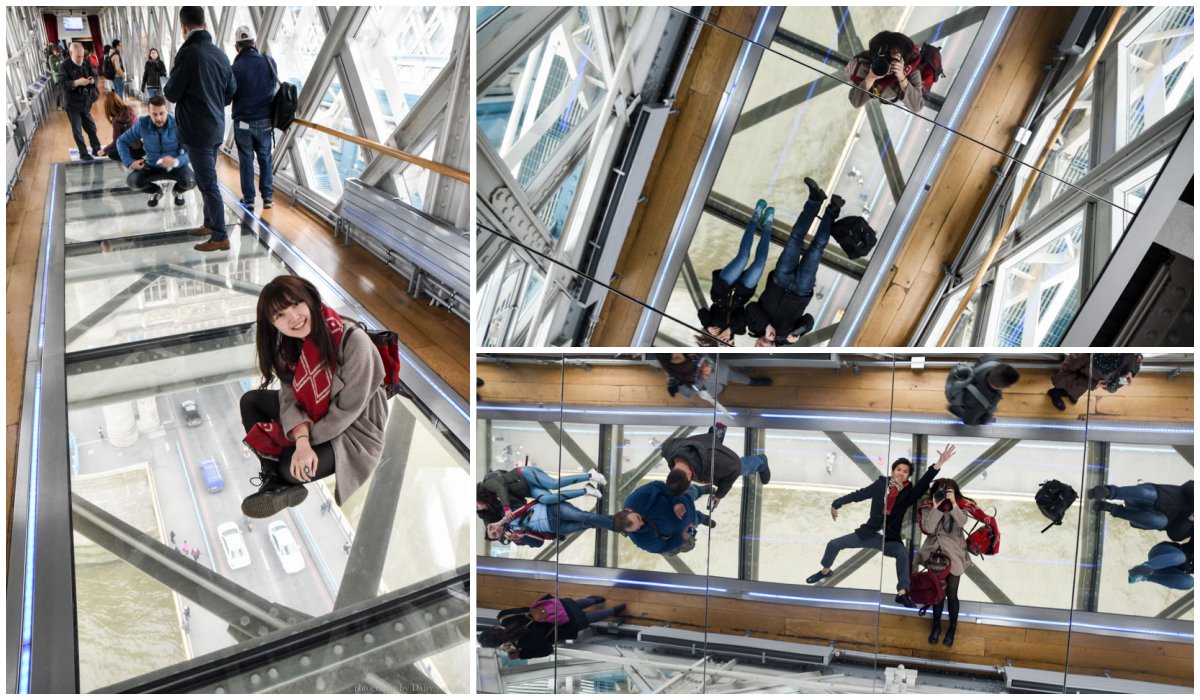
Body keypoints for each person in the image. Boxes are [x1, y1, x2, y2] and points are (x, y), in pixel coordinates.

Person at [239, 276, 389, 518]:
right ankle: (273, 479)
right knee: (251, 402)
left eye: (296, 304)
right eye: (279, 315)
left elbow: (348, 409)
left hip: (354, 427)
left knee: (291, 467)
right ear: (272, 324)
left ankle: (279, 478)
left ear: (310, 300)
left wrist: (302, 442)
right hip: (316, 413)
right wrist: (301, 439)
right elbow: (289, 398)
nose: (293, 318)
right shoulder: (289, 348)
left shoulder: (353, 342)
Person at [806, 445, 957, 607]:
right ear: (893, 471)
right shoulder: (880, 485)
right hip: (869, 534)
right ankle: (825, 571)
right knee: (834, 544)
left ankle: (902, 592)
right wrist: (836, 503)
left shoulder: (907, 494)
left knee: (903, 554)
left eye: (905, 471)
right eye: (898, 469)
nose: (901, 473)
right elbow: (859, 495)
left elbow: (922, 484)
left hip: (890, 538)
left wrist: (939, 463)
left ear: (908, 476)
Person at [163, 6, 237, 252]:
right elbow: (230, 92)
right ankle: (209, 223)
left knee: (208, 184)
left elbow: (171, 93)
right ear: (205, 24)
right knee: (208, 178)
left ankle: (220, 236)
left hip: (197, 131)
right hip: (216, 128)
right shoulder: (220, 54)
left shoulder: (188, 55)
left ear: (183, 27)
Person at [745, 178, 842, 346]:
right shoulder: (787, 341)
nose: (759, 346)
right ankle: (832, 210)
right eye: (761, 349)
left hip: (779, 279)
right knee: (817, 248)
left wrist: (767, 326)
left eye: (756, 347)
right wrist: (799, 332)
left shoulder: (754, 327)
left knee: (795, 238)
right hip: (801, 290)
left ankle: (814, 200)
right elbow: (809, 320)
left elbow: (751, 307)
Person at [914, 478, 990, 647]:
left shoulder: (960, 506)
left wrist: (954, 503)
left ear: (954, 493)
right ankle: (936, 626)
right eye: (941, 491)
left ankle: (952, 628)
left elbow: (962, 522)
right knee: (937, 594)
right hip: (936, 555)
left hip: (954, 554)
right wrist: (936, 506)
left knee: (952, 595)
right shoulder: (928, 506)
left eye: (948, 492)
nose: (944, 495)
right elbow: (929, 529)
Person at [698, 200, 774, 343]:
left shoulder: (711, 326)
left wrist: (708, 326)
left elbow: (702, 312)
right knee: (759, 264)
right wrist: (730, 329)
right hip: (742, 293)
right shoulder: (739, 329)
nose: (726, 341)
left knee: (743, 256)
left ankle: (755, 218)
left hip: (722, 288)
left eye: (722, 343)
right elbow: (742, 314)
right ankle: (768, 227)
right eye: (729, 344)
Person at [481, 594, 626, 659]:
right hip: (555, 608)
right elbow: (526, 609)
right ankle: (595, 599)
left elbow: (547, 650)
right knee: (575, 604)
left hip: (568, 623)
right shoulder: (504, 616)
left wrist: (521, 654)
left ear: (499, 643)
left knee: (588, 618)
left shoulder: (524, 643)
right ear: (493, 629)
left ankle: (616, 610)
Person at [230, 25, 278, 210]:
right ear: (254, 43)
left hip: (243, 122)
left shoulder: (235, 68)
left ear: (237, 47)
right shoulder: (269, 62)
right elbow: (272, 86)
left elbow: (227, 97)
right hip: (265, 121)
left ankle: (249, 199)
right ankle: (268, 198)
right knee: (265, 158)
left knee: (246, 159)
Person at [117, 95, 194, 207]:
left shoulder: (178, 123)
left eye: (161, 113)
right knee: (132, 182)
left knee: (191, 182)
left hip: (175, 165)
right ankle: (155, 191)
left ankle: (178, 191)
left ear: (167, 110)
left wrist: (176, 161)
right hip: (152, 165)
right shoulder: (142, 123)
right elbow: (121, 141)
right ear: (149, 113)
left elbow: (191, 151)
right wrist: (129, 162)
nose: (158, 118)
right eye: (154, 114)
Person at [660, 431, 769, 508]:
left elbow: (735, 468)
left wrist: (720, 494)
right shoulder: (668, 450)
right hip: (705, 447)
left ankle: (761, 461)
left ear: (689, 476)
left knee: (742, 467)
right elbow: (669, 443)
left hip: (720, 460)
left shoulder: (718, 464)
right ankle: (714, 436)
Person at [477, 461, 606, 523]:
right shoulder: (495, 503)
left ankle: (591, 475)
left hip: (525, 475)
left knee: (553, 484)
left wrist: (506, 507)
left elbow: (501, 488)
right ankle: (586, 490)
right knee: (546, 499)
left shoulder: (487, 485)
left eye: (475, 505)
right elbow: (521, 501)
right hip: (529, 490)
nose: (477, 507)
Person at [844, 31, 934, 111]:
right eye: (882, 55)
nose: (887, 61)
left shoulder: (911, 72)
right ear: (873, 56)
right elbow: (855, 102)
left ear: (902, 60)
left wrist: (902, 77)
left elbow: (917, 106)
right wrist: (871, 77)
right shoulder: (864, 65)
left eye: (892, 57)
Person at [615, 481, 711, 555]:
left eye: (639, 518)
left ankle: (703, 490)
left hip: (684, 498)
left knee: (692, 491)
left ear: (629, 510)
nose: (642, 523)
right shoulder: (640, 540)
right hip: (690, 523)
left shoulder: (636, 498)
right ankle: (702, 518)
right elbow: (663, 547)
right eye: (638, 528)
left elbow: (659, 485)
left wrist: (676, 501)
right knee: (696, 520)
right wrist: (681, 538)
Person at [1090, 480, 1193, 543]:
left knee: (1158, 521)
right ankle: (1108, 492)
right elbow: (1189, 486)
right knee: (1147, 493)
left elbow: (1175, 536)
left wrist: (1190, 520)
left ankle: (1110, 508)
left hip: (1150, 518)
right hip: (1159, 496)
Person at [486, 499, 616, 547]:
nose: (494, 530)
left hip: (551, 509)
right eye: (493, 534)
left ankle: (618, 526)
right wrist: (520, 537)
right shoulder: (516, 539)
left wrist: (502, 520)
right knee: (587, 523)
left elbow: (524, 507)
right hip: (555, 528)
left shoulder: (507, 513)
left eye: (491, 527)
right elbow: (538, 542)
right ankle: (617, 520)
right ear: (498, 538)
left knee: (584, 516)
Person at [656, 354, 771, 401]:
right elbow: (686, 392)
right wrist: (677, 386)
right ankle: (750, 381)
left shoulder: (690, 353)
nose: (680, 356)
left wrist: (709, 365)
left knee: (733, 375)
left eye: (679, 353)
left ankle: (752, 381)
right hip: (704, 386)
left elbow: (707, 355)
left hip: (716, 372)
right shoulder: (672, 374)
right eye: (676, 358)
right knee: (718, 389)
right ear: (669, 363)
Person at [1047, 353, 1143, 411]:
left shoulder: (1127, 353)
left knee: (1076, 390)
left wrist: (1131, 371)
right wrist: (1092, 384)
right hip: (1081, 378)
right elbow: (1065, 372)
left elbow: (1137, 357)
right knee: (1065, 387)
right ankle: (1054, 393)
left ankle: (1071, 393)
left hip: (1091, 379)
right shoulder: (1084, 355)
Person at [58, 42, 102, 161]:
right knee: (77, 130)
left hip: (86, 102)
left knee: (91, 127)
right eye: (78, 57)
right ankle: (83, 152)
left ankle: (96, 148)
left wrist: (93, 80)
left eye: (82, 56)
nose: (80, 59)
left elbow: (95, 75)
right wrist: (76, 83)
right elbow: (62, 84)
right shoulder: (64, 66)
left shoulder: (86, 62)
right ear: (71, 53)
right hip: (72, 104)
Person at [945, 356, 1019, 425]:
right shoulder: (979, 405)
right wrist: (986, 418)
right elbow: (968, 421)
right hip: (968, 399)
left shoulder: (991, 359)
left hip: (965, 379)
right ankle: (955, 408)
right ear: (997, 387)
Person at [1128, 539, 1193, 591]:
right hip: (1165, 553)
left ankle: (1144, 577)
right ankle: (1144, 568)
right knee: (1180, 558)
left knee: (1189, 583)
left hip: (1167, 570)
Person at [97, 91, 141, 162]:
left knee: (111, 153)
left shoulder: (116, 120)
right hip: (141, 146)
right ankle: (136, 158)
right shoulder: (131, 110)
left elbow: (116, 142)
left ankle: (132, 160)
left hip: (132, 149)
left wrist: (104, 151)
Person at [47, 46, 63, 110]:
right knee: (59, 92)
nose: (58, 53)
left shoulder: (59, 57)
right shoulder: (51, 58)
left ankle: (65, 105)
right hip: (57, 77)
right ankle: (58, 106)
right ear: (53, 51)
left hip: (62, 76)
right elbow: (54, 69)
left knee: (64, 91)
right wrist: (60, 65)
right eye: (56, 52)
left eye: (58, 52)